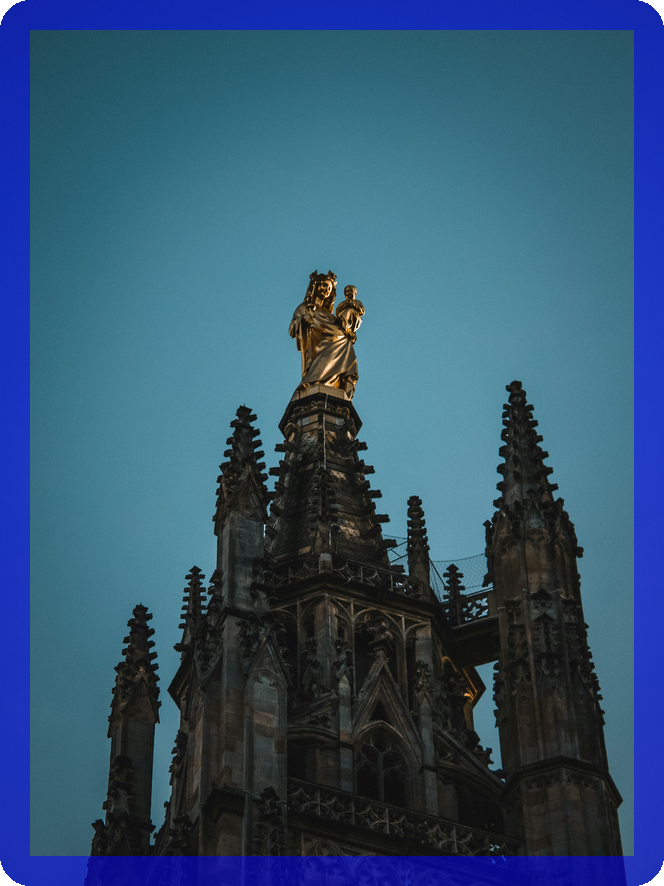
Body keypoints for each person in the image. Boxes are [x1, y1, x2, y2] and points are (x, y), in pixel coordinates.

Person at [289, 271, 361, 399]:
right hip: (317, 346)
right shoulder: (305, 308)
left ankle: (340, 388)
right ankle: (313, 380)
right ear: (316, 287)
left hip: (339, 343)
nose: (327, 290)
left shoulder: (332, 317)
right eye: (324, 285)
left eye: (329, 288)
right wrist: (303, 319)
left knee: (346, 343)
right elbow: (292, 329)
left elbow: (344, 326)